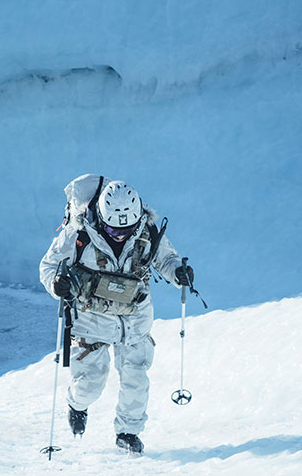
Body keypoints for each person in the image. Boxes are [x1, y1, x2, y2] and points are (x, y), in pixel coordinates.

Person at [39, 179, 193, 455]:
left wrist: (177, 273)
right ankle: (77, 404)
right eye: (112, 229)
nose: (120, 235)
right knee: (90, 384)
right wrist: (56, 284)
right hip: (91, 321)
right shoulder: (78, 234)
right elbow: (49, 266)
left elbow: (165, 259)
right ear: (101, 218)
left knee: (136, 379)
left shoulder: (147, 231)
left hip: (135, 320)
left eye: (126, 229)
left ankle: (127, 433)